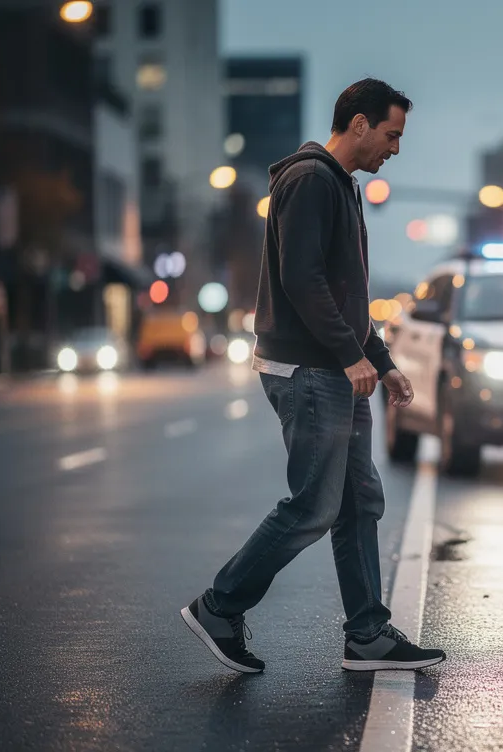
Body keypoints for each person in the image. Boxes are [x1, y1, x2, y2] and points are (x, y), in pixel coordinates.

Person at [181, 78, 445, 674]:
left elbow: (350, 298)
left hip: (336, 368)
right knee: (313, 507)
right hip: (308, 369)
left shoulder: (340, 186)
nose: (395, 149)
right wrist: (350, 358)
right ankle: (219, 607)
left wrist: (382, 361)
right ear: (358, 124)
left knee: (359, 503)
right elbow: (303, 281)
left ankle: (368, 635)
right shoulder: (309, 180)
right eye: (391, 134)